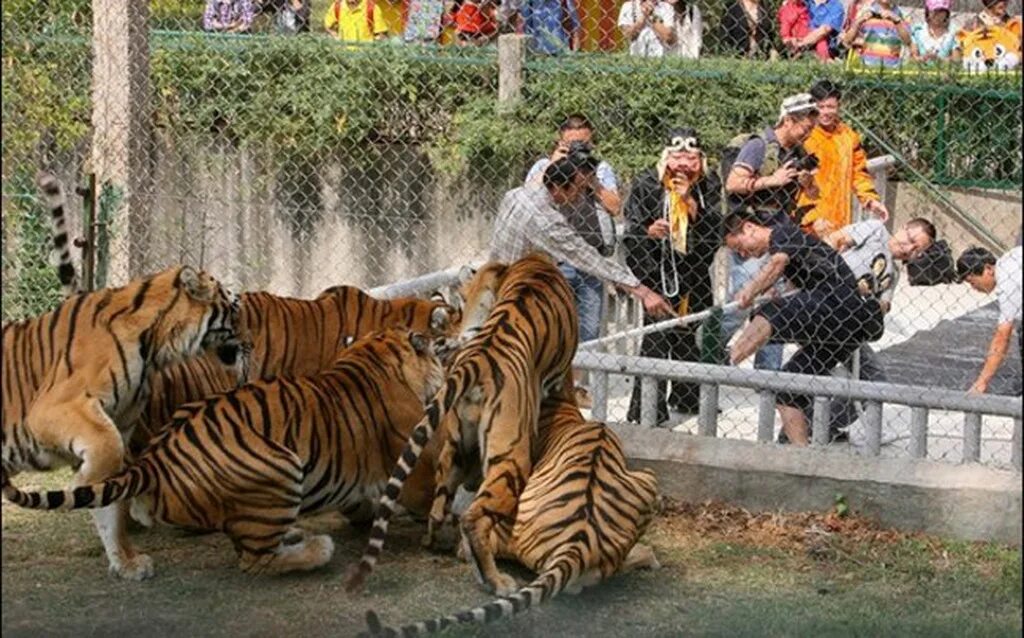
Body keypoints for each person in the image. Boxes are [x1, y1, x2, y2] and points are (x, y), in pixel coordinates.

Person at [724, 211, 885, 446]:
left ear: (749, 228)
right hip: (844, 331)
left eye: (740, 246)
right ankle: (802, 454)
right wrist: (772, 291)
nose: (743, 254)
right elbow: (797, 285)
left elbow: (778, 263)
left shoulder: (783, 233)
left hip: (837, 305)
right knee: (788, 392)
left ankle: (725, 365)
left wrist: (751, 289)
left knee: (769, 313)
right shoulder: (797, 253)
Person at [490, 156, 675, 322]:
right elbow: (586, 257)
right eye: (577, 189)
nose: (580, 196)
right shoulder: (545, 220)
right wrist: (642, 291)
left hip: (495, 283)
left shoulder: (516, 194)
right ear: (557, 186)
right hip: (517, 298)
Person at [622, 128, 722, 425]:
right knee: (655, 338)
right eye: (677, 157)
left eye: (690, 159)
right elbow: (631, 231)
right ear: (666, 158)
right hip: (657, 273)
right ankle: (647, 410)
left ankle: (687, 396)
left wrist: (690, 202)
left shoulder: (708, 184)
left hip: (693, 271)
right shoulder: (646, 182)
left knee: (689, 335)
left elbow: (714, 229)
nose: (683, 165)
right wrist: (648, 232)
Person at [805, 217, 937, 441]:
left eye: (918, 250)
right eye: (912, 239)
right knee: (816, 370)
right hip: (825, 304)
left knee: (874, 379)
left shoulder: (893, 274)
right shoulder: (876, 231)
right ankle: (807, 427)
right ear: (903, 228)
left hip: (848, 324)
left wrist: (874, 306)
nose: (910, 249)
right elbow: (836, 239)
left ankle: (818, 425)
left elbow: (882, 306)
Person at [525, 115, 623, 405]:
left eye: (584, 143)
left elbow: (615, 207)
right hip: (556, 259)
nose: (579, 149)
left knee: (589, 329)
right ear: (560, 141)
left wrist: (589, 180)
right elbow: (529, 197)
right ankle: (550, 384)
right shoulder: (544, 166)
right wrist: (555, 166)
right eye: (572, 144)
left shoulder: (600, 169)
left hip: (590, 258)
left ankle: (577, 387)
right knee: (555, 324)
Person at [722, 93, 821, 371]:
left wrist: (807, 183)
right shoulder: (758, 146)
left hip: (779, 240)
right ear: (788, 120)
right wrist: (771, 180)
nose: (808, 133)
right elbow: (733, 183)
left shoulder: (797, 153)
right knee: (741, 303)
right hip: (751, 239)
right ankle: (707, 348)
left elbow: (814, 194)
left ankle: (768, 375)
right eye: (805, 127)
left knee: (776, 307)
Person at [798, 79, 889, 239]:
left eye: (830, 107)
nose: (825, 112)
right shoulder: (803, 136)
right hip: (808, 222)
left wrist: (870, 200)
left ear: (839, 106)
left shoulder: (848, 136)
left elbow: (859, 173)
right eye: (821, 107)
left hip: (840, 221)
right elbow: (796, 183)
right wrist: (811, 219)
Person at [957, 245, 1023, 395]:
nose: (974, 288)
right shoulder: (1009, 260)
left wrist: (982, 382)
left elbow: (1002, 336)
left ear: (988, 269)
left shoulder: (1008, 282)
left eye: (972, 281)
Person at [841, 0, 911, 67]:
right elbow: (847, 41)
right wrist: (858, 22)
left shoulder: (902, 15)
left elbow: (907, 41)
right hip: (867, 67)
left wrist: (897, 22)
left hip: (892, 69)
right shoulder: (864, 11)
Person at [324, 0, 389, 42]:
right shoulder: (337, 6)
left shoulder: (371, 8)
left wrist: (373, 43)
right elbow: (328, 25)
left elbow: (381, 33)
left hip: (365, 53)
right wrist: (335, 36)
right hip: (343, 51)